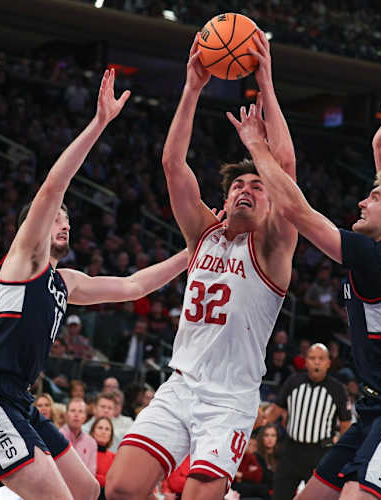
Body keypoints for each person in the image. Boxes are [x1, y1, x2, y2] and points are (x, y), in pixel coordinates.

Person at [0, 69, 189, 499]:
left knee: (92, 494)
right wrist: (99, 124)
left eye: (68, 218)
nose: (63, 221)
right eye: (56, 216)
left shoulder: (67, 282)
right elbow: (51, 188)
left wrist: (194, 253)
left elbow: (134, 286)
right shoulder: (23, 260)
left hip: (21, 400)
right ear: (35, 227)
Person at [106, 30, 297, 500]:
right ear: (226, 197)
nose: (247, 189)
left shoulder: (272, 247)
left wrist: (266, 84)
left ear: (272, 204)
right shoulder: (202, 235)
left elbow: (286, 168)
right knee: (122, 489)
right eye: (238, 186)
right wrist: (192, 88)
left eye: (258, 185)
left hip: (229, 402)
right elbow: (173, 164)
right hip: (180, 386)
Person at [228, 97, 381, 500]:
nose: (362, 202)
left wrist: (256, 146)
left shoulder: (374, 258)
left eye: (373, 199)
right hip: (376, 407)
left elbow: (296, 209)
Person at [264, 344, 351, 500]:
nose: (316, 362)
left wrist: (340, 454)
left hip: (319, 454)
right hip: (291, 451)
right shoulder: (293, 382)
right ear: (305, 361)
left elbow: (346, 425)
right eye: (312, 358)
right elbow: (275, 411)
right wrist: (259, 421)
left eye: (321, 359)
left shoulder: (337, 389)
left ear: (328, 363)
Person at [60, 398, 97, 475]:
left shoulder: (91, 442)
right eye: (73, 411)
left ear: (85, 417)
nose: (76, 415)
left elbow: (91, 473)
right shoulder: (57, 437)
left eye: (80, 411)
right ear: (66, 415)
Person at [91, 416, 115, 499]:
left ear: (110, 435)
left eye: (107, 429)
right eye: (100, 428)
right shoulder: (86, 452)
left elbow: (115, 482)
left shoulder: (114, 457)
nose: (103, 432)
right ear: (93, 431)